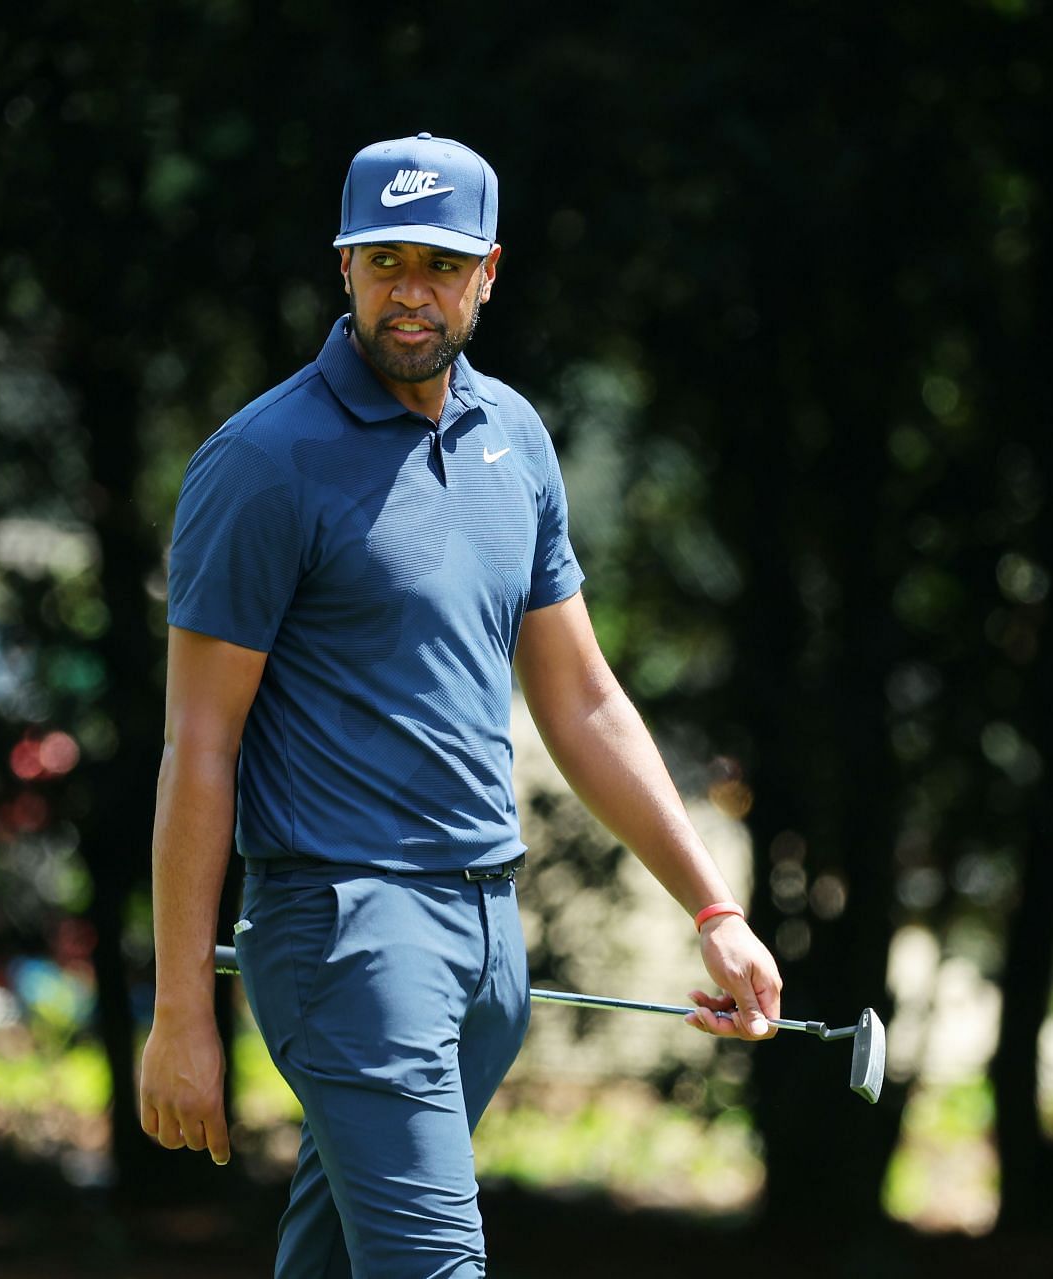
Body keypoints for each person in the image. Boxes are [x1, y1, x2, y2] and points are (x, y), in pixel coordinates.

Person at [137, 132, 783, 1278]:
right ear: (344, 268)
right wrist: (181, 1007)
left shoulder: (515, 442)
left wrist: (713, 909)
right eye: (383, 262)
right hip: (347, 936)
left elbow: (581, 700)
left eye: (437, 265)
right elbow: (200, 745)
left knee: (335, 1261)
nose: (410, 293)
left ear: (489, 270)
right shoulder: (264, 462)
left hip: (488, 941)